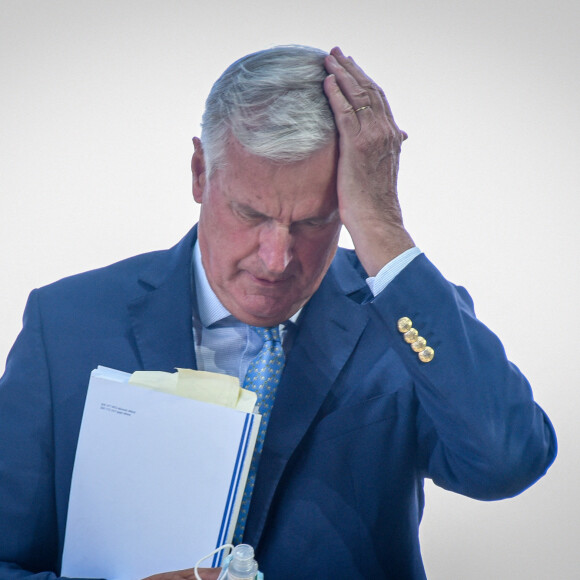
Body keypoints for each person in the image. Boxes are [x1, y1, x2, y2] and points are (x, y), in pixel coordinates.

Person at [0, 45, 556, 580]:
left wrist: (382, 227)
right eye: (250, 212)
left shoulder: (403, 316)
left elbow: (506, 463)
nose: (276, 258)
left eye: (315, 221)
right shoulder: (65, 323)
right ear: (200, 172)